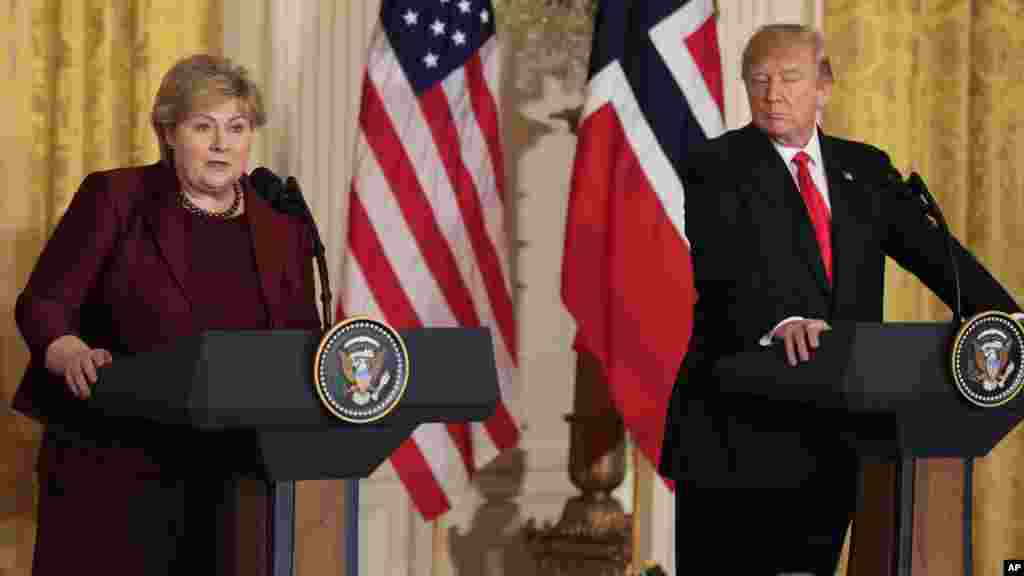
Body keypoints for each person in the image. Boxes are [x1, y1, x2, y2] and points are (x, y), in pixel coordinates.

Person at [658, 24, 1022, 575]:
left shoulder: (866, 170)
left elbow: (931, 252)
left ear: (823, 86)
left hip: (835, 439)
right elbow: (721, 265)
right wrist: (780, 319)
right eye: (758, 80)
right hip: (733, 439)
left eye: (789, 78)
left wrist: (1009, 315)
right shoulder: (717, 167)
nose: (772, 93)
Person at [13, 54, 320, 574]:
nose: (223, 144)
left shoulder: (281, 224)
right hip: (113, 464)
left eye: (237, 127)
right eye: (204, 126)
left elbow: (301, 336)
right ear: (168, 131)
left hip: (235, 476)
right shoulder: (117, 198)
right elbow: (45, 302)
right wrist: (66, 349)